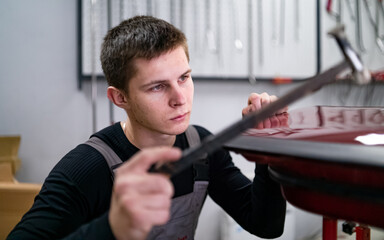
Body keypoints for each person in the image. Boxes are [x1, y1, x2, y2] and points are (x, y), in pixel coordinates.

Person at [7, 15, 287, 240]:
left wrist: (267, 150)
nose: (180, 99)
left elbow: (266, 225)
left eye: (184, 78)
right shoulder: (84, 169)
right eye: (157, 86)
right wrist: (112, 228)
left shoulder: (201, 147)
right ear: (120, 97)